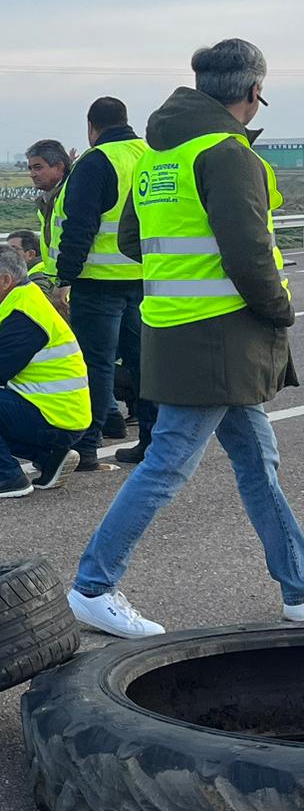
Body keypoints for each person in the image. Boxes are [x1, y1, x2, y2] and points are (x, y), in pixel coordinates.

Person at [70, 39, 304, 637]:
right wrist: (280, 309)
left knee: (257, 459)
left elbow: (130, 243)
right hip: (221, 339)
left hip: (174, 329)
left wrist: (180, 275)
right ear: (253, 94)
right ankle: (94, 584)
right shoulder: (227, 154)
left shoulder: (155, 156)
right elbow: (250, 254)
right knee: (168, 463)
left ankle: (298, 587)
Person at [0, 244, 89, 498]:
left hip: (58, 418)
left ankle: (7, 476)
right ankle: (49, 457)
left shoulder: (23, 315)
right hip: (53, 410)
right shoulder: (21, 297)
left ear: (6, 280)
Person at [52, 97, 149, 469]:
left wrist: (65, 278)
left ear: (91, 127)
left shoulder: (96, 161)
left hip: (98, 282)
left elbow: (80, 225)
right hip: (144, 278)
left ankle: (87, 447)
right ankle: (151, 440)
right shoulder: (150, 153)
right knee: (144, 362)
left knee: (95, 364)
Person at [25, 139, 71, 277]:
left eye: (38, 167)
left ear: (59, 167)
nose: (32, 174)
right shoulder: (48, 199)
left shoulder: (71, 195)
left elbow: (76, 241)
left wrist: (65, 281)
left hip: (72, 282)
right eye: (31, 168)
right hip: (57, 280)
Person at [6, 230, 58, 294]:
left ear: (30, 254)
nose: (7, 254)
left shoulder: (39, 275)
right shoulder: (28, 272)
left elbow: (41, 300)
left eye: (13, 250)